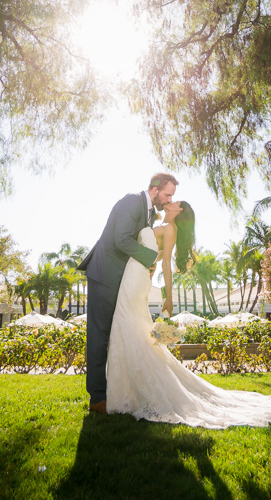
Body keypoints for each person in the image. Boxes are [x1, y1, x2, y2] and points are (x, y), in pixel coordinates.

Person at [105, 200, 271, 429]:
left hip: (134, 280)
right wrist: (150, 267)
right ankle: (128, 389)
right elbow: (156, 257)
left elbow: (167, 265)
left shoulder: (170, 229)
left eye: (175, 201)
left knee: (128, 326)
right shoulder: (163, 226)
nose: (170, 201)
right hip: (135, 276)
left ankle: (129, 392)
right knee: (131, 328)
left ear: (179, 211)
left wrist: (168, 297)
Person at [78, 173, 176, 414]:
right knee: (99, 336)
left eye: (171, 196)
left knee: (117, 334)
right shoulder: (132, 201)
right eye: (167, 194)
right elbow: (121, 240)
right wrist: (151, 258)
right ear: (154, 190)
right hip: (104, 274)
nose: (169, 199)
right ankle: (98, 398)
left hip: (122, 279)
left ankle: (116, 391)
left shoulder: (150, 212)